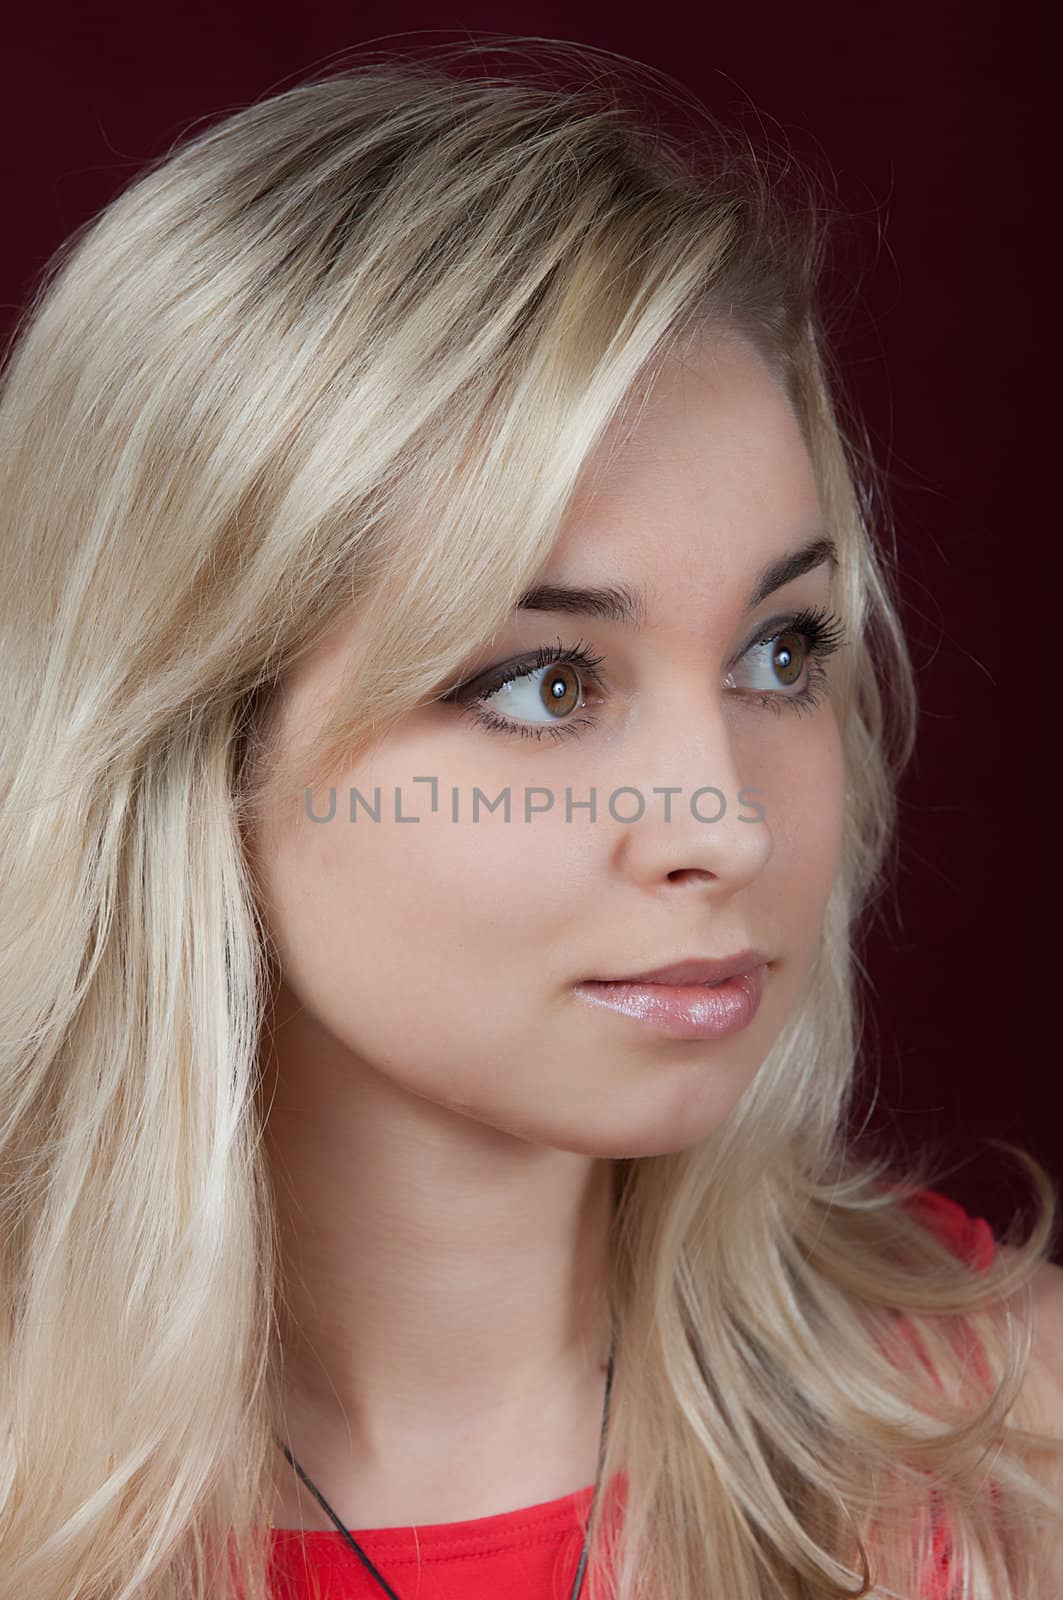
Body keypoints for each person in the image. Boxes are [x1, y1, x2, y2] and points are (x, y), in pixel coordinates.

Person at [0, 37, 1060, 1600]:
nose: (724, 827)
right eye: (547, 683)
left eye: (781, 653)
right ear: (186, 737)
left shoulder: (1004, 1449)